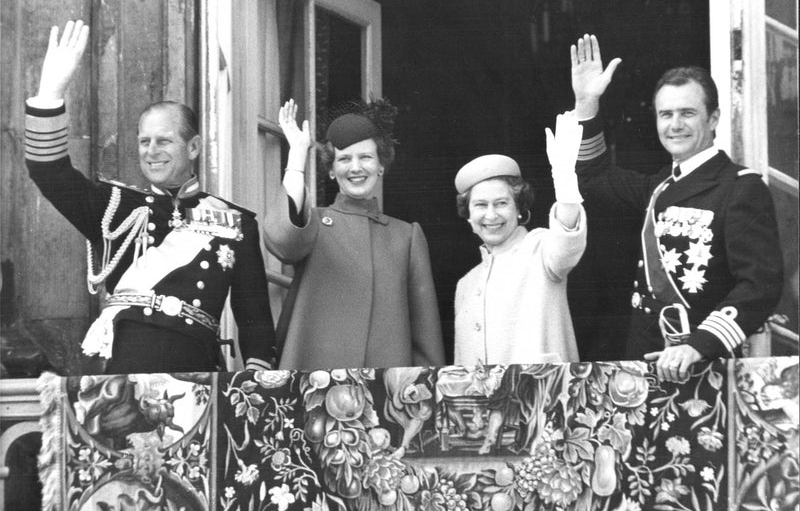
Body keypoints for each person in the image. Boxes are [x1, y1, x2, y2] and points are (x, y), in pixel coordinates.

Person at [25, 20, 275, 373]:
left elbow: (255, 319)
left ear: (193, 147)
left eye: (164, 140)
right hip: (124, 367)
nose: (152, 151)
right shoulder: (112, 206)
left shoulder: (236, 223)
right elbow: (48, 171)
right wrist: (50, 92)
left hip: (197, 368)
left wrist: (255, 379)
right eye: (145, 141)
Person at [570, 33, 783, 382]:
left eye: (687, 113)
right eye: (665, 114)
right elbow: (592, 175)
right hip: (645, 362)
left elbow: (760, 285)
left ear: (713, 119)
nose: (675, 125)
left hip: (705, 366)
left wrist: (699, 345)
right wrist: (586, 102)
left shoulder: (740, 188)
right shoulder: (658, 187)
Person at [262, 98, 445, 370]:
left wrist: (425, 392)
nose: (355, 168)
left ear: (381, 166)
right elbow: (283, 241)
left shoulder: (406, 237)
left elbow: (425, 334)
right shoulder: (313, 224)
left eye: (366, 157)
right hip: (315, 382)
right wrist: (298, 157)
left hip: (386, 389)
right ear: (332, 171)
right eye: (344, 159)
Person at [452, 111, 587, 367]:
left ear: (519, 209)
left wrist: (565, 180)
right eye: (480, 205)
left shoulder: (541, 248)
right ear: (468, 216)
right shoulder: (465, 285)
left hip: (542, 401)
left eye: (501, 203)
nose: (491, 215)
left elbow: (568, 237)